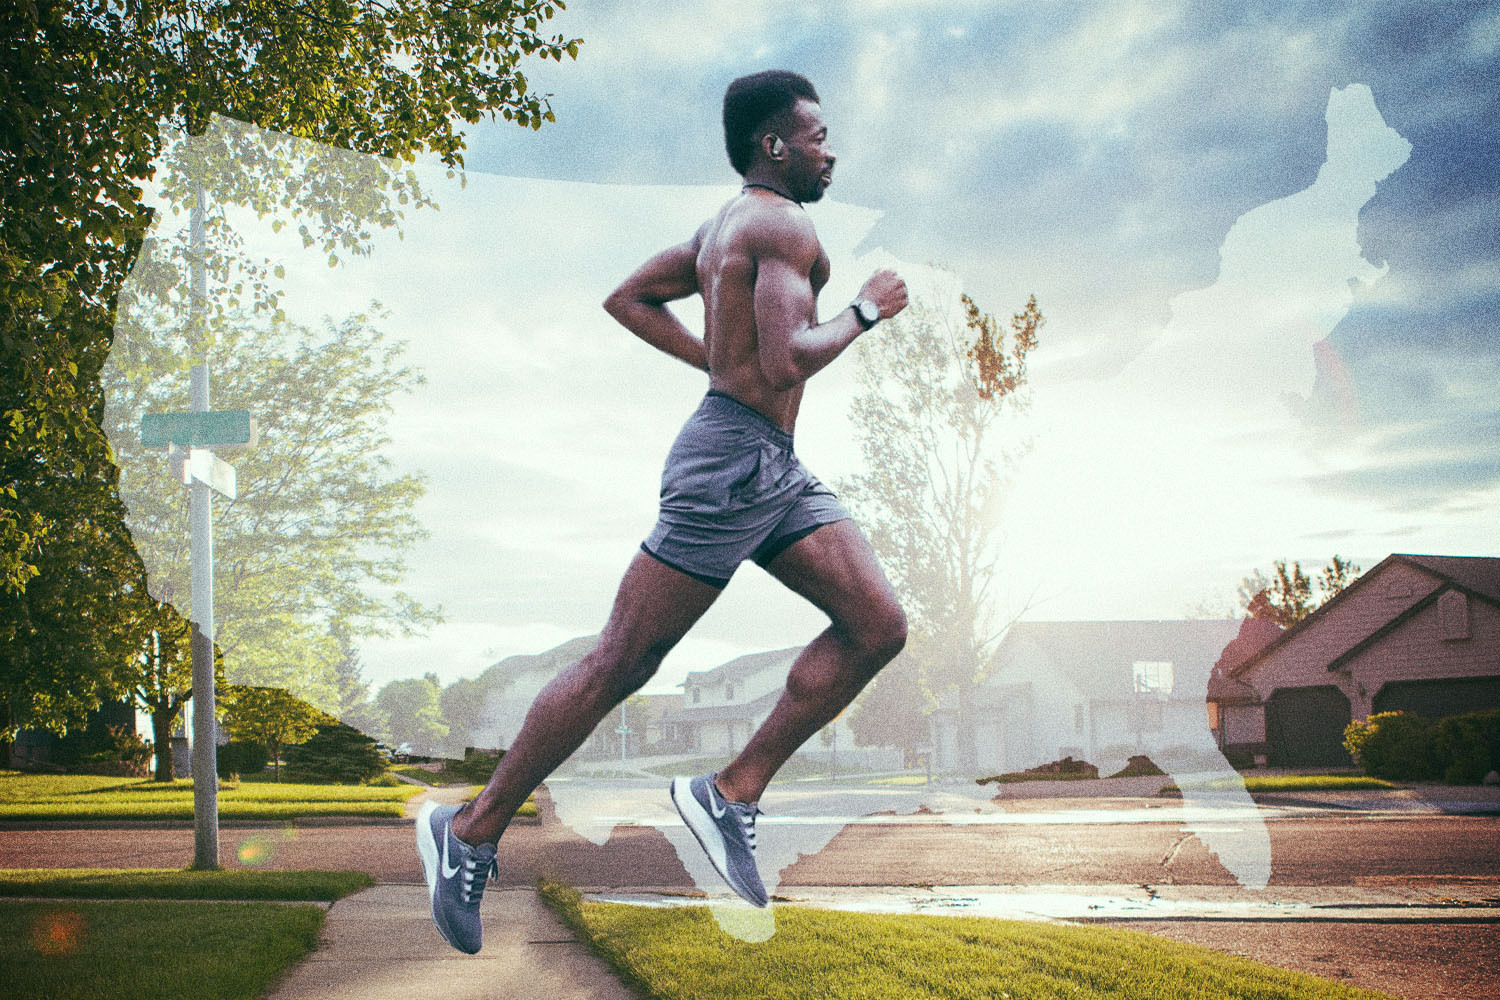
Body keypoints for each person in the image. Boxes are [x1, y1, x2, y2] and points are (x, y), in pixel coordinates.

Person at [416, 69, 909, 954]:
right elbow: (791, 358)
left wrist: (718, 371)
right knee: (620, 664)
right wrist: (868, 311)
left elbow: (628, 299)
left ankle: (731, 791)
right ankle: (471, 831)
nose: (831, 152)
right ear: (776, 145)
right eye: (818, 136)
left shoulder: (722, 226)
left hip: (767, 462)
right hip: (730, 465)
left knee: (877, 624)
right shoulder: (784, 225)